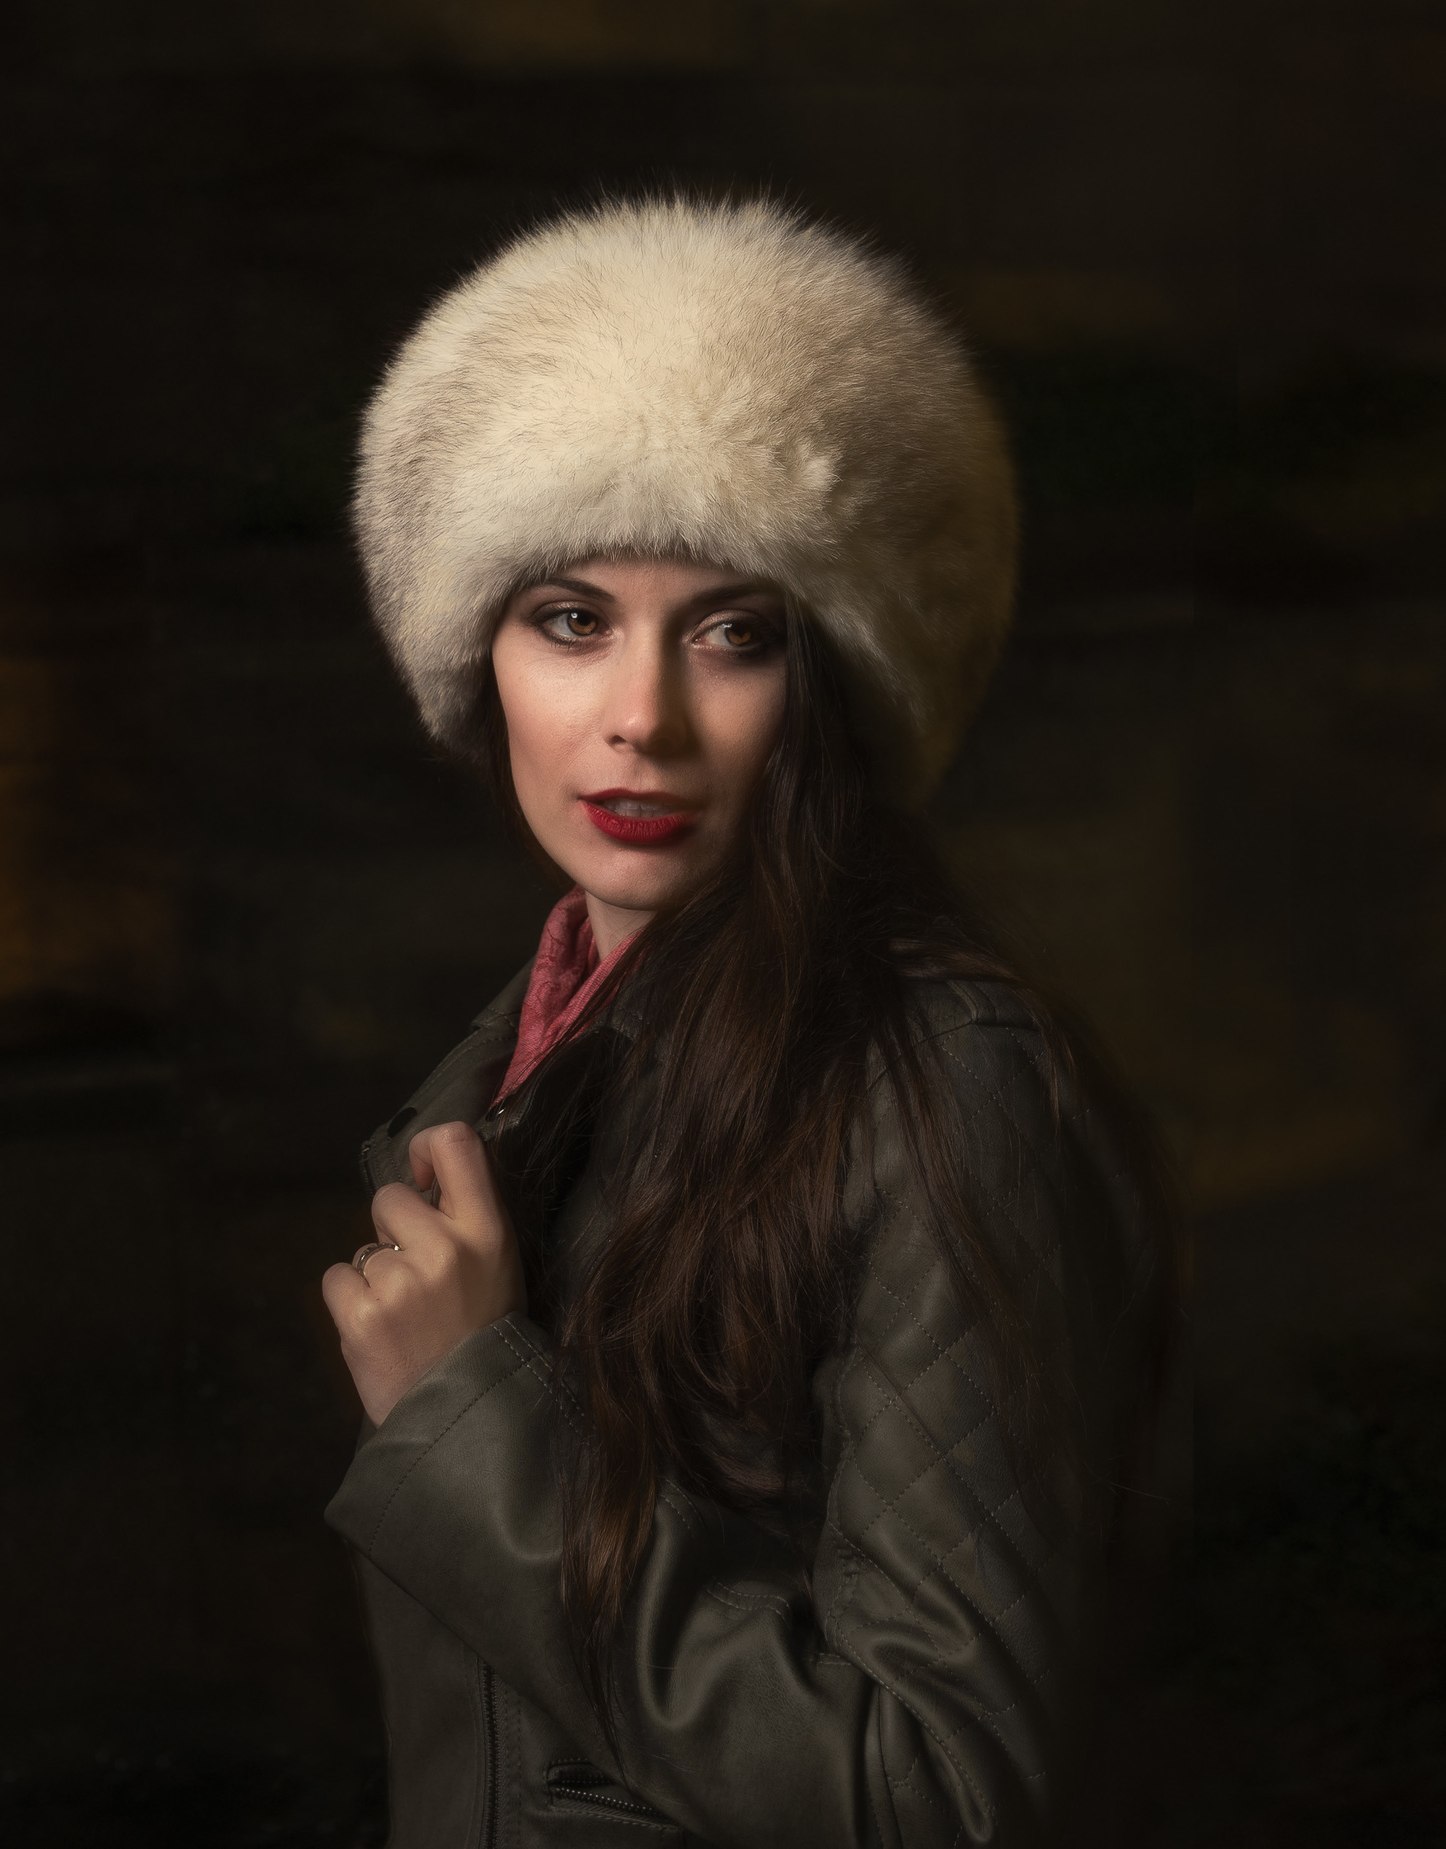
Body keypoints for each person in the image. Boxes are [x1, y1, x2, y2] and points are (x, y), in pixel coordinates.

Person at [318, 199, 1184, 1847]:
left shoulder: (944, 1090)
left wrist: (476, 1418)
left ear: (829, 682)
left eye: (731, 632)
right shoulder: (511, 1086)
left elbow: (934, 1796)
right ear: (477, 657)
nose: (640, 717)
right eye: (570, 618)